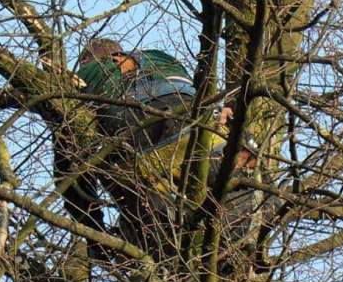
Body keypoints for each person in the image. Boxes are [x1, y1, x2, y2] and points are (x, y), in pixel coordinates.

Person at [62, 38, 255, 258]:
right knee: (240, 185)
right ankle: (236, 249)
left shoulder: (87, 74)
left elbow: (70, 171)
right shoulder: (161, 57)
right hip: (197, 130)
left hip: (135, 134)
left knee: (155, 232)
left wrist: (95, 233)